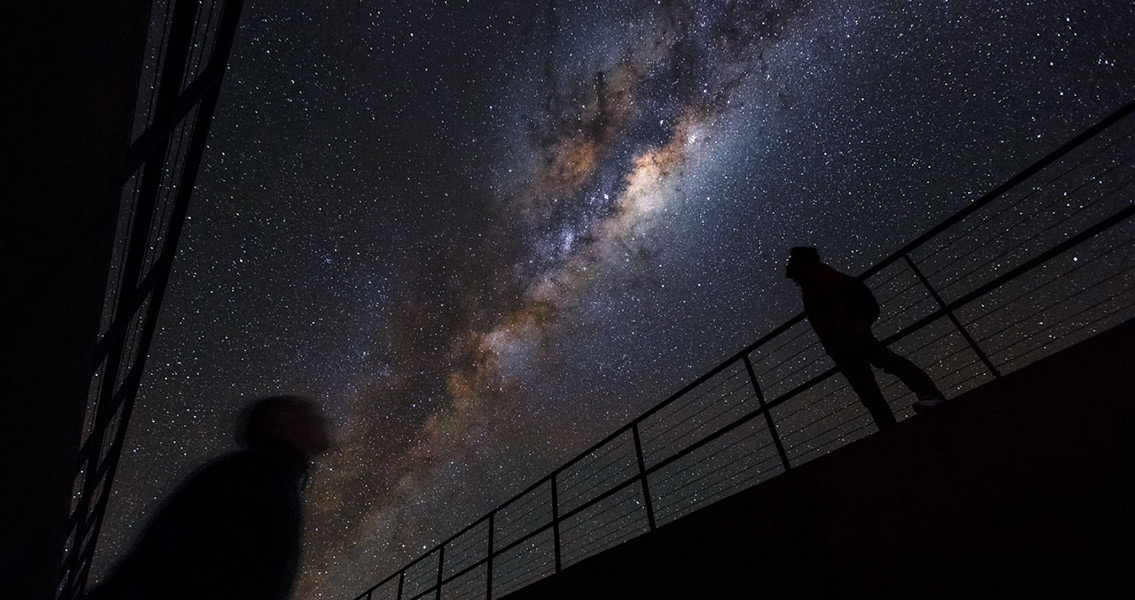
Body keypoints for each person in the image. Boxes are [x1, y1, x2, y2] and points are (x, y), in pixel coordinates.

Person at [85, 395, 332, 600]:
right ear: (280, 423)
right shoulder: (255, 476)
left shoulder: (264, 475)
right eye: (306, 413)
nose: (321, 419)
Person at [786, 246, 945, 429]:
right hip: (842, 339)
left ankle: (925, 399)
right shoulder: (810, 281)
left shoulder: (817, 273)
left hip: (848, 335)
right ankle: (901, 417)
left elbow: (837, 298)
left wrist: (845, 328)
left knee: (883, 370)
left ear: (801, 261)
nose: (789, 265)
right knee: (875, 382)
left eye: (792, 260)